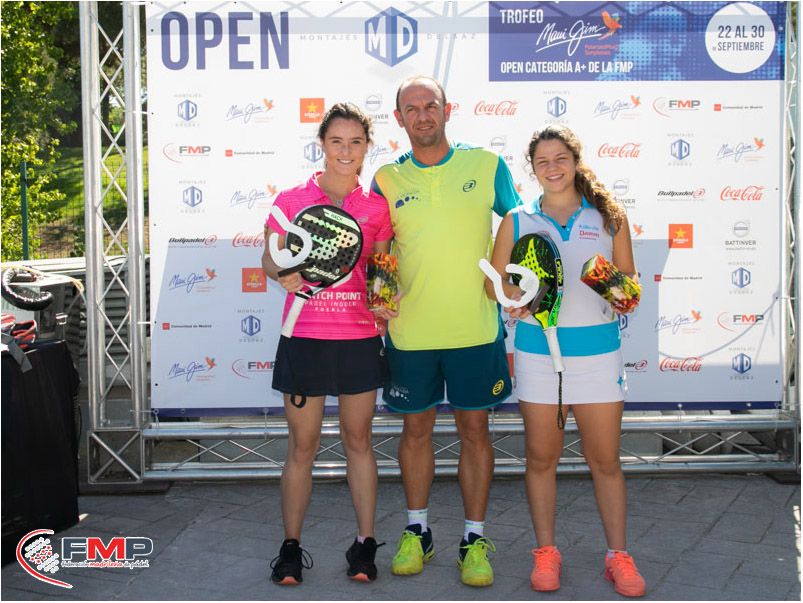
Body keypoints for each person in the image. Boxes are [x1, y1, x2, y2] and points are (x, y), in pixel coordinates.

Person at [371, 75, 521, 587]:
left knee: (474, 431)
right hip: (410, 334)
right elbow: (380, 249)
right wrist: (379, 295)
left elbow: (520, 222)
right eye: (411, 109)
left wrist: (510, 281)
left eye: (430, 105)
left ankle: (474, 539)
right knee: (415, 431)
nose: (422, 115)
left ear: (447, 109)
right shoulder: (386, 179)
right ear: (399, 119)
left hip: (475, 329)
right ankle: (418, 531)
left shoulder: (487, 165)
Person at [485, 124, 645, 597]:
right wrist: (515, 296)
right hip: (539, 356)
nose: (552, 168)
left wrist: (620, 292)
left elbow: (630, 282)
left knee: (606, 462)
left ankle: (618, 556)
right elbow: (494, 284)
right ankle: (546, 552)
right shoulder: (516, 219)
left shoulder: (609, 215)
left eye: (560, 159)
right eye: (542, 162)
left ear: (575, 161)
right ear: (532, 169)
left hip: (599, 356)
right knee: (541, 459)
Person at [261, 102, 395, 586]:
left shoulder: (377, 207)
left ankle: (364, 545)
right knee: (303, 446)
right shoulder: (292, 199)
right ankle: (290, 550)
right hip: (304, 339)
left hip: (358, 339)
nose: (345, 150)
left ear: (367, 147)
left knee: (359, 441)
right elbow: (269, 258)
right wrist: (282, 274)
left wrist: (385, 301)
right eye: (336, 141)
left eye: (355, 142)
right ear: (322, 144)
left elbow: (382, 270)